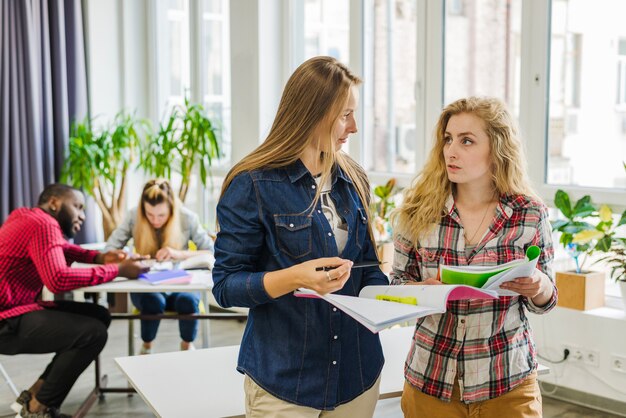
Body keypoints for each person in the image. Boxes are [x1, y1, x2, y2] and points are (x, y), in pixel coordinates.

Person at [212, 56, 388, 417]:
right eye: (344, 114)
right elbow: (226, 286)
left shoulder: (354, 178)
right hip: (285, 383)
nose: (353, 127)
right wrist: (295, 278)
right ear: (311, 112)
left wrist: (406, 295)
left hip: (358, 374)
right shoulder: (252, 184)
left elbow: (367, 268)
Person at [390, 97, 557, 418]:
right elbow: (396, 286)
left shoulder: (529, 214)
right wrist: (423, 290)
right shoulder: (416, 211)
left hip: (508, 383)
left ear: (497, 148)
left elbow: (548, 299)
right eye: (448, 139)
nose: (451, 150)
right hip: (432, 382)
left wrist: (537, 285)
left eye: (466, 141)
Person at [0, 183, 147, 418]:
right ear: (54, 203)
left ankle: (35, 395)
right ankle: (39, 410)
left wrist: (99, 257)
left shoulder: (26, 217)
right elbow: (57, 279)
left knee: (99, 315)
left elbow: (60, 250)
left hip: (16, 308)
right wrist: (117, 269)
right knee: (93, 333)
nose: (83, 215)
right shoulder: (45, 223)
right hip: (7, 320)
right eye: (77, 206)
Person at [105, 178, 214, 354]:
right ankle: (146, 347)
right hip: (145, 285)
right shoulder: (133, 216)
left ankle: (187, 346)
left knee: (188, 301)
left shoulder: (187, 218)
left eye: (161, 215)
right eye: (150, 215)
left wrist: (179, 254)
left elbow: (211, 251)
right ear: (142, 210)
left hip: (180, 283)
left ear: (172, 209)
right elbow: (110, 249)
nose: (155, 220)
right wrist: (130, 256)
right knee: (153, 301)